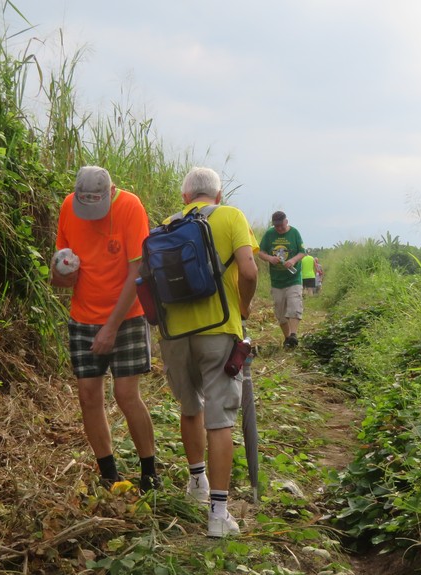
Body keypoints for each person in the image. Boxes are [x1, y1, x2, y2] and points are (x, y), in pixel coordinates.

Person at [157, 166, 258, 538]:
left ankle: (196, 483)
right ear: (218, 195)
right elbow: (249, 271)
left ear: (185, 197)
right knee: (220, 420)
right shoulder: (231, 216)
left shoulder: (167, 225)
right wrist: (243, 308)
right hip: (218, 329)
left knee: (190, 407)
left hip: (174, 333)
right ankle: (218, 514)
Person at [51, 165, 161, 493]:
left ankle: (149, 471)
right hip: (83, 317)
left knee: (125, 394)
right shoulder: (68, 207)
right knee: (88, 396)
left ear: (110, 192)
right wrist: (61, 275)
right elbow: (58, 271)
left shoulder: (130, 207)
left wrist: (110, 327)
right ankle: (109, 473)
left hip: (127, 316)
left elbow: (137, 272)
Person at [257, 210, 305, 348]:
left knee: (294, 305)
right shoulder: (269, 234)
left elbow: (302, 252)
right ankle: (287, 338)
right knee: (280, 311)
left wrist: (293, 260)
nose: (279, 229)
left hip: (293, 279)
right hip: (277, 281)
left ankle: (294, 335)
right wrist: (270, 258)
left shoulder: (294, 233)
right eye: (276, 226)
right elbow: (260, 252)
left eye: (281, 226)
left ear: (286, 222)